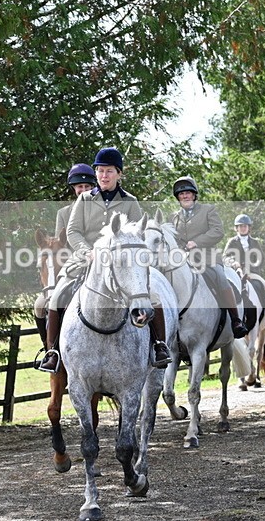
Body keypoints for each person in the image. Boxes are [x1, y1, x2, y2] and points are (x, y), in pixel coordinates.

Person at [38, 147, 171, 373]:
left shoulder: (130, 201)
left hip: (121, 261)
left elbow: (138, 233)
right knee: (57, 295)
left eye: (109, 171)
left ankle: (159, 345)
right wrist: (87, 251)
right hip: (86, 258)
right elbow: (73, 231)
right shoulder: (84, 199)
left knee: (152, 296)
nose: (103, 175)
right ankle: (52, 353)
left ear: (119, 173)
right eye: (100, 171)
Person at [170, 176, 248, 338]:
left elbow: (218, 232)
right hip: (184, 260)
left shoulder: (208, 210)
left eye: (187, 193)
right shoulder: (175, 217)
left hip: (207, 258)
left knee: (221, 277)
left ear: (194, 194)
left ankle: (236, 320)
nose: (184, 196)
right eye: (181, 194)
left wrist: (196, 242)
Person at [33, 164, 97, 345]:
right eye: (79, 187)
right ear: (74, 189)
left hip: (98, 261)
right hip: (73, 265)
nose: (83, 189)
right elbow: (59, 245)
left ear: (92, 187)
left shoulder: (101, 209)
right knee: (39, 305)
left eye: (87, 186)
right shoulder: (64, 213)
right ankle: (49, 348)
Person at [223, 213, 265, 326]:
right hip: (236, 273)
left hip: (252, 273)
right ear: (236, 228)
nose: (243, 228)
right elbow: (225, 257)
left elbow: (261, 259)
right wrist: (234, 263)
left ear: (249, 228)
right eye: (240, 226)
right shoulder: (232, 242)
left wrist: (251, 267)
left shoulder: (255, 242)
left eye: (245, 226)